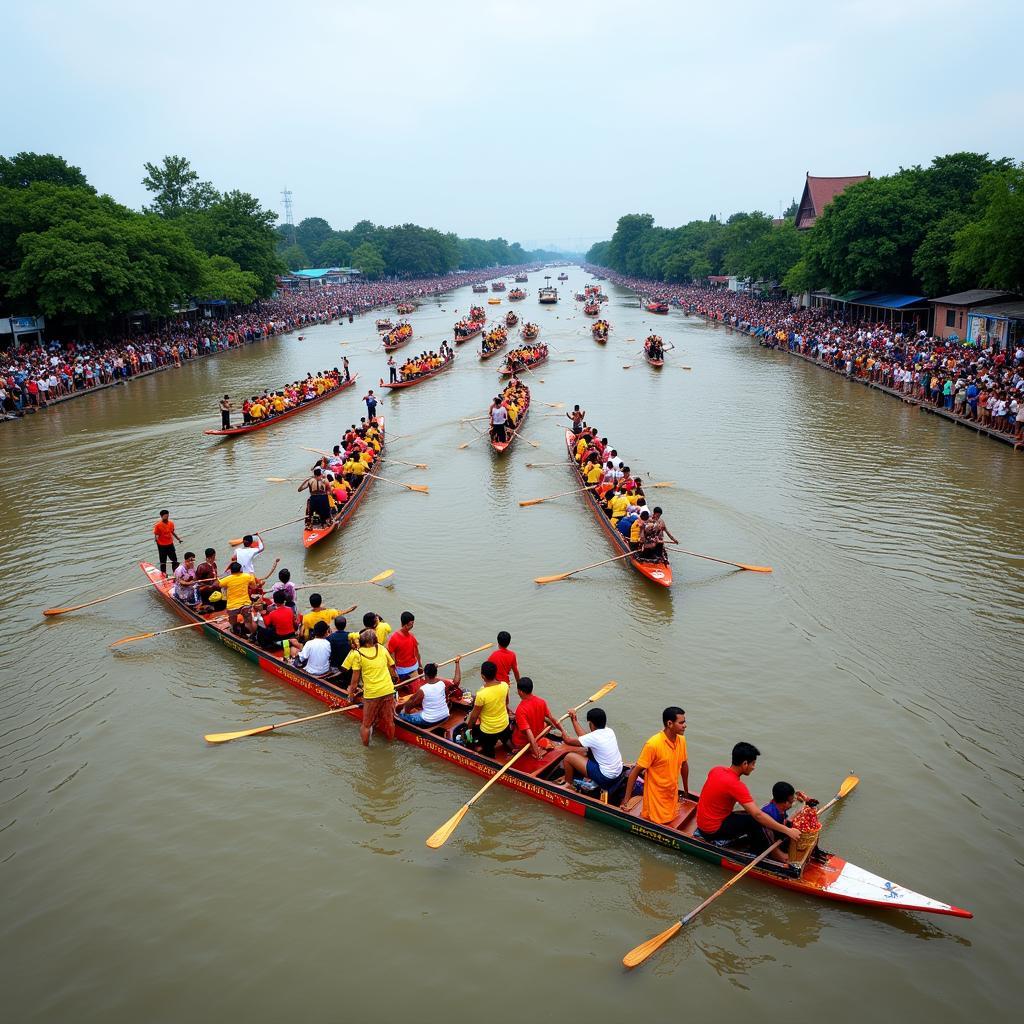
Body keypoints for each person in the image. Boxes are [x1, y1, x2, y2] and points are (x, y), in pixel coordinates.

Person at [695, 742, 801, 855]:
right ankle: (773, 855)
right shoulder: (735, 785)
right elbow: (758, 815)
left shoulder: (716, 770)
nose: (753, 767)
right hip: (712, 830)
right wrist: (788, 831)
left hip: (703, 824)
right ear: (745, 764)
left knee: (751, 814)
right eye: (753, 764)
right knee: (757, 820)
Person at [622, 707, 690, 825]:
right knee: (658, 821)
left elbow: (684, 764)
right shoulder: (653, 744)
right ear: (669, 723)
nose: (685, 725)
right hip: (655, 802)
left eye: (684, 722)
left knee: (672, 818)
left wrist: (686, 790)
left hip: (671, 796)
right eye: (681, 723)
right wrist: (626, 800)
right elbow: (635, 771)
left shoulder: (682, 741)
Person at [344, 627, 399, 746]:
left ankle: (365, 750)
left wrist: (350, 697)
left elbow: (354, 681)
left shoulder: (357, 654)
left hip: (372, 694)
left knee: (366, 724)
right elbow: (393, 668)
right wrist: (395, 680)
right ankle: (390, 744)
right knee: (389, 722)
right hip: (388, 690)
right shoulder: (382, 649)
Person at [557, 706, 624, 791]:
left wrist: (560, 727)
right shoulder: (609, 731)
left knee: (568, 757)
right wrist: (573, 719)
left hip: (606, 778)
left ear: (591, 723)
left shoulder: (594, 737)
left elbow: (568, 741)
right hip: (617, 773)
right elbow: (585, 737)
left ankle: (568, 784)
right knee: (585, 751)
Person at [464, 660, 513, 757]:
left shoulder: (481, 694)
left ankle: (487, 753)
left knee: (487, 751)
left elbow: (474, 717)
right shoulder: (505, 685)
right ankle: (511, 747)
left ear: (483, 676)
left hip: (489, 730)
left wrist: (468, 729)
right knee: (506, 738)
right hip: (504, 724)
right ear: (495, 673)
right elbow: (506, 702)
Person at [398, 658, 463, 727]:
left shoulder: (423, 689)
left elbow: (411, 702)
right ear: (435, 674)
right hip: (445, 715)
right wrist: (457, 663)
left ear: (425, 675)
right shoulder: (442, 684)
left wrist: (405, 711)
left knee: (401, 715)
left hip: (429, 720)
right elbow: (456, 681)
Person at [510, 677, 562, 759]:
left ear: (520, 691)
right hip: (538, 735)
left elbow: (529, 734)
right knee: (543, 722)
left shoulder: (521, 709)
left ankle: (520, 749)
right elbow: (552, 719)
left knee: (511, 726)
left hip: (523, 743)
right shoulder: (541, 701)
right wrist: (563, 732)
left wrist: (537, 754)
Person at [217, 560, 262, 635]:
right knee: (249, 622)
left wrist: (224, 576)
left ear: (231, 571)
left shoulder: (227, 579)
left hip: (232, 606)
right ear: (240, 569)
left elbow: (217, 584)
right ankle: (253, 636)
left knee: (233, 623)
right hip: (246, 604)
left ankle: (234, 631)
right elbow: (253, 586)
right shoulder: (247, 576)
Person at [387, 611, 421, 683]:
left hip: (411, 667)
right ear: (405, 625)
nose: (412, 626)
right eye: (411, 624)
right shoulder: (395, 638)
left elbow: (417, 653)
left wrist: (420, 666)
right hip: (402, 670)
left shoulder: (411, 636)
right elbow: (392, 658)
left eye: (413, 624)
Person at [153, 510, 182, 576]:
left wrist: (178, 539)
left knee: (174, 560)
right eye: (165, 516)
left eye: (167, 516)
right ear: (161, 516)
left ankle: (176, 572)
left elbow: (172, 532)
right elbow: (156, 534)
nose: (167, 518)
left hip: (170, 544)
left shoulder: (171, 523)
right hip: (162, 545)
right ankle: (163, 574)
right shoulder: (158, 525)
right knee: (163, 561)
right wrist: (156, 539)